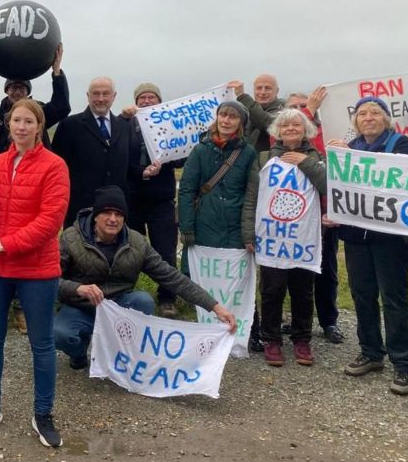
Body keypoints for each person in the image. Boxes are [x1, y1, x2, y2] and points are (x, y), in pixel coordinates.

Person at [0, 98, 69, 448]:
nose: (22, 127)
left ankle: (43, 413)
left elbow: (51, 220)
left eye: (29, 121)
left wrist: (9, 243)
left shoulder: (55, 166)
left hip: (37, 270)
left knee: (42, 344)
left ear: (39, 126)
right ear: (8, 125)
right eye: (16, 121)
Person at [56, 186, 236, 369]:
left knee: (143, 301)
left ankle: (121, 355)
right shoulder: (71, 238)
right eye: (106, 213)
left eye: (118, 214)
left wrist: (215, 307)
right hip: (82, 306)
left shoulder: (137, 242)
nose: (113, 219)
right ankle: (79, 352)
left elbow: (171, 277)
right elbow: (50, 281)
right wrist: (78, 288)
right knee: (60, 334)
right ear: (95, 215)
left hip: (119, 305)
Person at [328, 97, 408, 395]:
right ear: (355, 121)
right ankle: (371, 351)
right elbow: (337, 185)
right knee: (362, 294)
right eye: (362, 113)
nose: (368, 117)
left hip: (390, 240)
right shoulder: (349, 149)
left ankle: (403, 364)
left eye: (375, 112)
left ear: (386, 119)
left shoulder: (402, 145)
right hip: (356, 237)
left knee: (394, 298)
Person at [242, 109, 327, 367]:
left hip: (302, 237)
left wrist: (305, 162)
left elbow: (328, 187)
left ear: (306, 130)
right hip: (272, 237)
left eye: (296, 125)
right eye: (285, 125)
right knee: (271, 290)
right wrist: (248, 233)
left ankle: (302, 340)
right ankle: (272, 340)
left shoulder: (318, 157)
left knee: (303, 291)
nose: (291, 129)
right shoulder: (264, 158)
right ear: (277, 131)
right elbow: (252, 198)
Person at [285, 87, 344, 343]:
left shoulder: (327, 134)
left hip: (323, 216)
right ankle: (300, 321)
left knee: (326, 271)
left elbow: (334, 174)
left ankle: (329, 321)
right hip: (293, 220)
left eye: (305, 106)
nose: (300, 111)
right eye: (295, 107)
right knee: (294, 273)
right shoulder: (280, 138)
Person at [122, 83, 183, 318]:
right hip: (132, 199)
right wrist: (141, 172)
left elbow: (181, 161)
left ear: (160, 101)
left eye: (152, 97)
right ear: (136, 101)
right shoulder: (126, 124)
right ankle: (125, 294)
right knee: (128, 251)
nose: (147, 101)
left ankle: (167, 298)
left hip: (161, 201)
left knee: (165, 252)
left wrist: (166, 160)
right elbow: (118, 156)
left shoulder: (171, 126)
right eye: (142, 98)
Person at [178, 100, 259, 253]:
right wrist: (187, 227)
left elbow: (251, 194)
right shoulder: (200, 150)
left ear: (241, 123)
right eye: (223, 115)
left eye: (233, 117)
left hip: (234, 228)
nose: (226, 120)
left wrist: (248, 231)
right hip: (203, 224)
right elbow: (186, 190)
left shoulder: (248, 153)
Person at [51, 77, 131, 227]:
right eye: (96, 94)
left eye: (105, 94)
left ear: (114, 96)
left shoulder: (125, 127)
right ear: (88, 96)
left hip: (115, 211)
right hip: (79, 209)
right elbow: (57, 168)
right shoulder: (69, 125)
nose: (100, 99)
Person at [0, 44, 70, 157]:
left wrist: (57, 72)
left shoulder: (40, 115)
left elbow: (61, 107)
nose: (18, 92)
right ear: (7, 91)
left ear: (28, 92)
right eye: (14, 87)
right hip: (2, 170)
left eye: (22, 88)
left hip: (35, 169)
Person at [230, 75, 285, 155]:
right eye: (259, 88)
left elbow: (266, 122)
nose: (262, 92)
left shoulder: (285, 110)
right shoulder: (246, 111)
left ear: (277, 91)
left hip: (267, 163)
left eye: (268, 88)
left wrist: (242, 96)